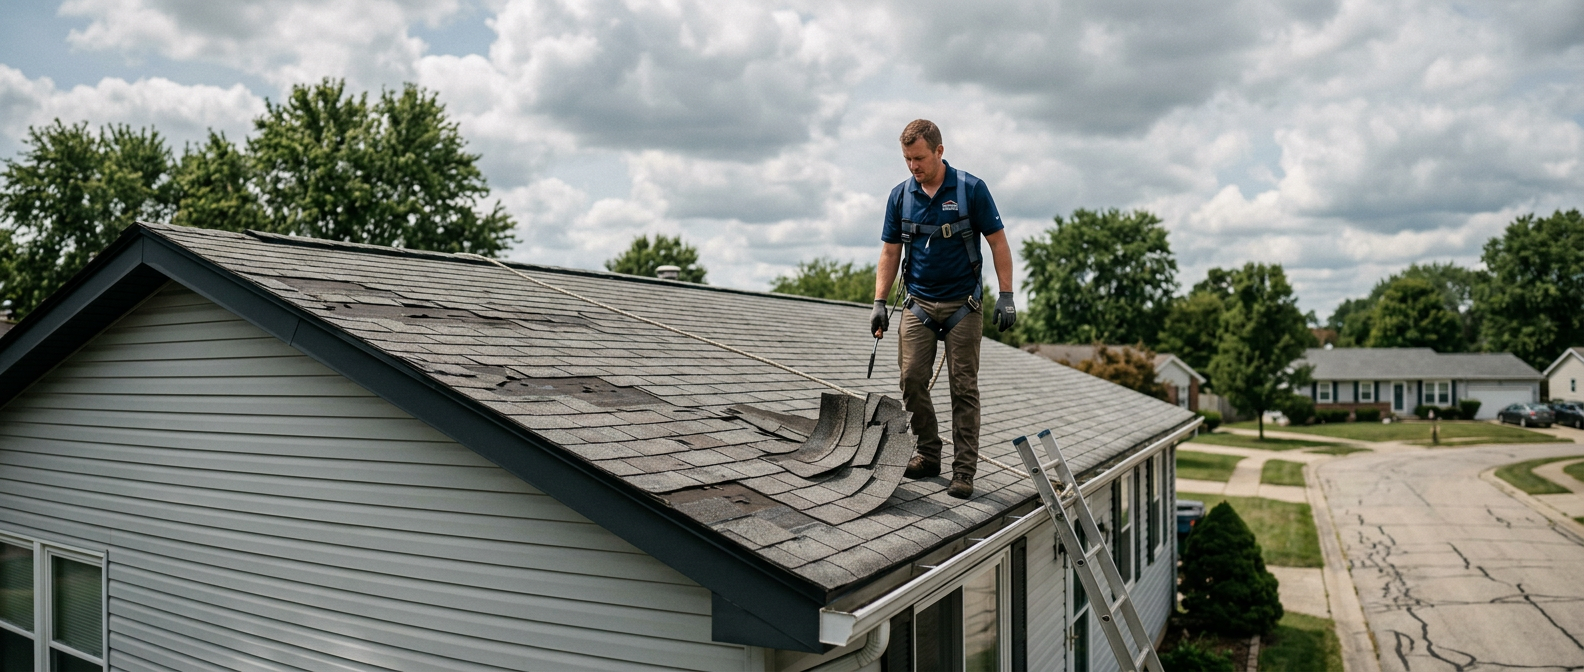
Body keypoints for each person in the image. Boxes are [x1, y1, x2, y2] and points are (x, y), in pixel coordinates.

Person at [871, 119, 1016, 499]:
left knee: (962, 388)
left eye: (919, 158)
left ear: (939, 151)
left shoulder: (971, 190)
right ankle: (929, 454)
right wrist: (879, 302)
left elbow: (998, 243)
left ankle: (964, 472)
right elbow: (890, 251)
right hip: (918, 303)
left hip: (962, 305)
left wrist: (1006, 294)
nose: (913, 166)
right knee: (911, 379)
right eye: (906, 159)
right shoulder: (901, 195)